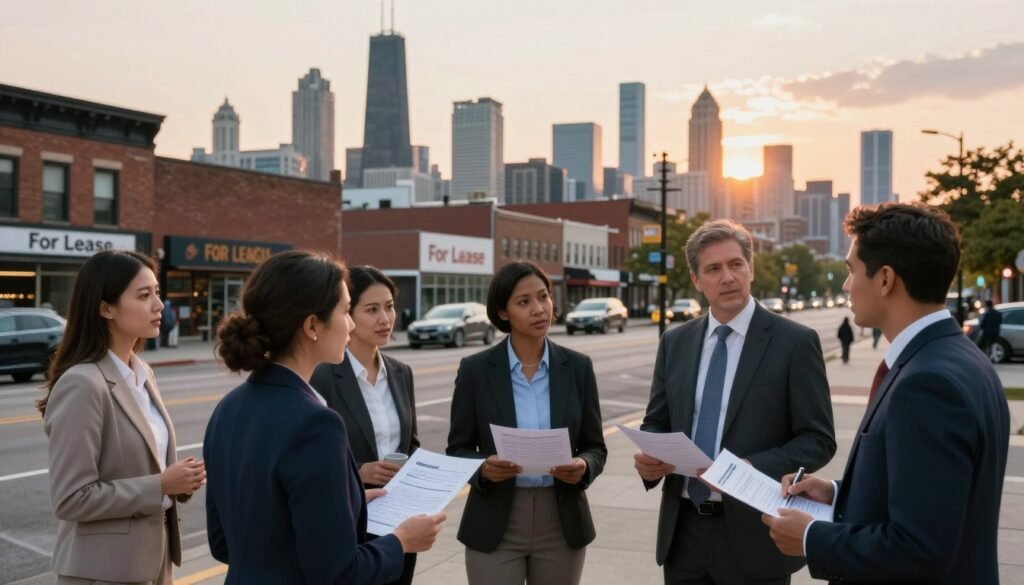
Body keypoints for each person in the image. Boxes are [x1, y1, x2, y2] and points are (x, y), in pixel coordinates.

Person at [763, 203, 1010, 584]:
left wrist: (812, 537)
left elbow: (920, 547)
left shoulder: (926, 385)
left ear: (885, 279)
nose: (847, 285)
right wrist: (835, 494)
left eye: (851, 270)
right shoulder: (960, 357)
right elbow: (932, 495)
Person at [203, 250, 445, 584]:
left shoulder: (228, 407)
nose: (350, 323)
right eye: (347, 311)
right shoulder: (316, 423)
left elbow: (222, 543)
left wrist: (353, 500)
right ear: (313, 326)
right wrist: (401, 541)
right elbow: (338, 572)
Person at [634, 219, 836, 585]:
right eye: (713, 268)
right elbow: (656, 422)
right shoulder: (675, 342)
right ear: (696, 280)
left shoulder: (794, 342)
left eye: (735, 264)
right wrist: (649, 459)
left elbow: (817, 440)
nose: (727, 277)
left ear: (751, 269)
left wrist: (746, 468)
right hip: (683, 533)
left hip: (755, 536)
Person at [38, 250, 206, 585]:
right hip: (102, 572)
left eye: (157, 292)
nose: (159, 305)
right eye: (144, 296)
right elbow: (71, 499)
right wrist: (160, 484)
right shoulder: (82, 384)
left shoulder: (141, 371)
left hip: (153, 564)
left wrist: (178, 484)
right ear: (105, 308)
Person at [447, 261, 608, 585]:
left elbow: (596, 446)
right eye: (524, 302)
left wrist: (583, 465)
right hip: (495, 520)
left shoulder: (577, 367)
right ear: (503, 312)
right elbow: (458, 449)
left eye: (544, 297)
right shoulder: (476, 370)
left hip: (561, 521)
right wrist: (483, 469)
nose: (539, 309)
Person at [311, 266, 420, 585]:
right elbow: (311, 460)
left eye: (389, 306)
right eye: (372, 309)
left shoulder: (401, 373)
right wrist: (358, 473)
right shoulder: (322, 376)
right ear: (347, 314)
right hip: (349, 522)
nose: (385, 318)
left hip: (399, 521)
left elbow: (410, 444)